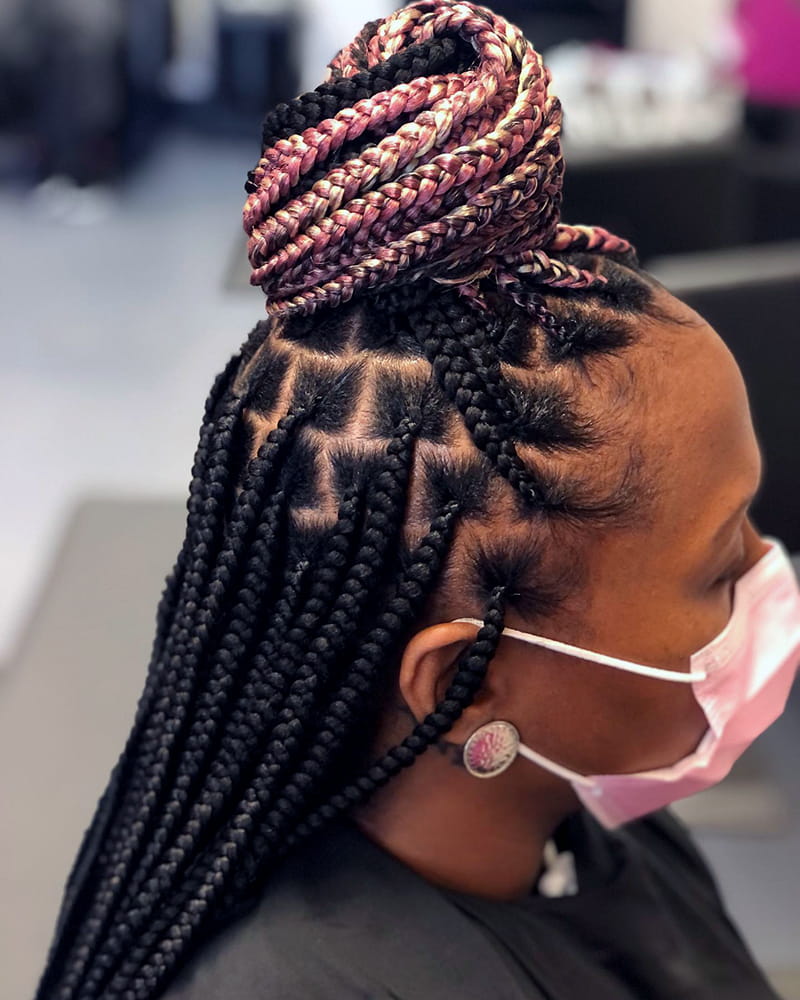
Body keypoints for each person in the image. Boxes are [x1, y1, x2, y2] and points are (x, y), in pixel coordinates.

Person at [34, 2, 800, 998]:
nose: (768, 577)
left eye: (748, 522)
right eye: (716, 565)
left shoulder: (578, 815)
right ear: (459, 686)